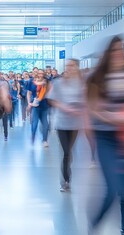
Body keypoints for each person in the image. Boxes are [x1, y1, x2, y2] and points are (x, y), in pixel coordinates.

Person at [87, 36, 124, 235]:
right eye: (115, 50)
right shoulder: (98, 77)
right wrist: (113, 118)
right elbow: (93, 109)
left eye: (122, 49)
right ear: (108, 53)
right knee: (113, 188)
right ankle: (94, 224)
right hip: (106, 137)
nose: (119, 53)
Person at [46, 59, 87, 192]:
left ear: (77, 67)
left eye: (72, 66)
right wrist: (64, 107)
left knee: (70, 151)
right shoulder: (58, 82)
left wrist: (79, 109)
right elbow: (51, 99)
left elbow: (86, 101)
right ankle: (65, 180)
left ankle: (67, 172)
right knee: (66, 151)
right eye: (67, 66)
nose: (69, 68)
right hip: (62, 123)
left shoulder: (81, 84)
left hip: (75, 123)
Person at [27, 71, 51, 147]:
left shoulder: (46, 82)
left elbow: (50, 92)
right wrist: (29, 103)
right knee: (34, 123)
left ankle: (45, 140)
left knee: (45, 123)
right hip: (35, 105)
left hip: (44, 105)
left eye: (42, 73)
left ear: (44, 75)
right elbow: (29, 93)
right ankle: (33, 136)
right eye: (39, 73)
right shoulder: (32, 82)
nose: (40, 75)